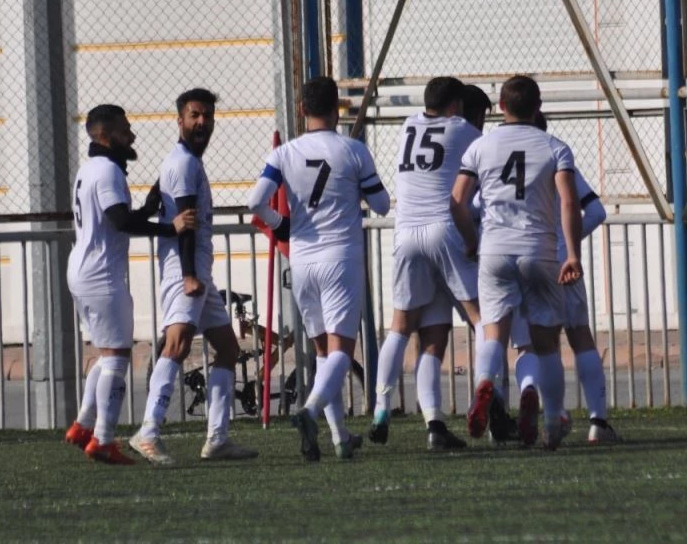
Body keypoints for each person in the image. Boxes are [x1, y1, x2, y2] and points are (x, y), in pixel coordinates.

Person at [247, 76, 390, 461]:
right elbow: (381, 205)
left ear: (302, 110)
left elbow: (255, 202)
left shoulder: (284, 153)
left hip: (302, 260)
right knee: (342, 349)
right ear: (337, 109)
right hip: (340, 257)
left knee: (323, 351)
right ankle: (309, 412)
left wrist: (280, 224)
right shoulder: (353, 150)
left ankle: (340, 438)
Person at [452, 75, 583, 450]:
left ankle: (484, 382)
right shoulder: (555, 148)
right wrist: (572, 254)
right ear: (538, 107)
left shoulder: (480, 146)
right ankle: (552, 421)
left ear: (501, 107)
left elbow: (457, 201)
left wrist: (472, 241)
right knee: (545, 344)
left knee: (493, 332)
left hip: (494, 248)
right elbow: (569, 202)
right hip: (538, 249)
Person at [129, 88, 258, 465]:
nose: (202, 122)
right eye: (195, 115)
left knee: (229, 349)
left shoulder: (184, 162)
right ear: (180, 120)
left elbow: (158, 203)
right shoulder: (183, 163)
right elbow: (184, 223)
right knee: (177, 345)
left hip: (201, 272)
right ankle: (148, 432)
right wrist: (188, 275)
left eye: (207, 116)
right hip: (185, 271)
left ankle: (217, 439)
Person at [64, 104, 196, 464]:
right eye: (124, 130)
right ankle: (103, 439)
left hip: (83, 270)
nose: (132, 135)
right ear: (104, 136)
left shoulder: (90, 168)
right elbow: (120, 222)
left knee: (107, 354)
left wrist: (150, 208)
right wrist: (171, 228)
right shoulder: (107, 171)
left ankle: (83, 425)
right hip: (101, 274)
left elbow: (116, 219)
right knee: (118, 357)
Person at [368, 77, 485, 451]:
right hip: (443, 229)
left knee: (407, 329)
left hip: (406, 233)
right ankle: (489, 397)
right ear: (455, 106)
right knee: (481, 319)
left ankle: (392, 411)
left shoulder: (408, 124)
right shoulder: (462, 129)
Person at [508, 111, 620, 444]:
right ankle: (598, 421)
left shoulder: (499, 159)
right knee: (579, 335)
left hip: (518, 258)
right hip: (559, 259)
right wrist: (567, 243)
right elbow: (596, 211)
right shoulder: (557, 156)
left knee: (530, 343)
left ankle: (539, 400)